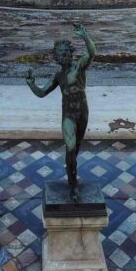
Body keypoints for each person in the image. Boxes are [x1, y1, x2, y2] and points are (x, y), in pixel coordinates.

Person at [26, 23, 95, 201]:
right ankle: (73, 184)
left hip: (82, 113)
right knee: (70, 148)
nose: (63, 54)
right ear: (56, 57)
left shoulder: (78, 67)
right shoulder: (57, 76)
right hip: (68, 116)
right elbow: (42, 93)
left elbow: (91, 53)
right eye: (60, 52)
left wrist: (85, 36)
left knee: (75, 150)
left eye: (66, 51)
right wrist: (32, 84)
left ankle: (71, 171)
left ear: (71, 53)